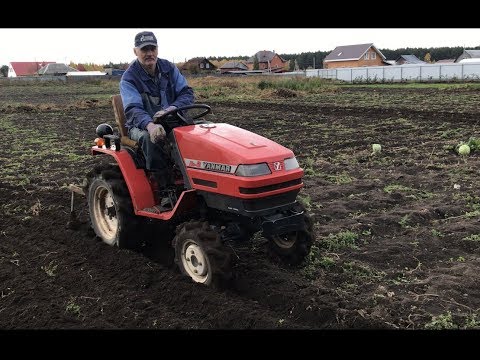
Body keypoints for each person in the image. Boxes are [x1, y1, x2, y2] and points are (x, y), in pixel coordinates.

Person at [120, 31, 194, 208]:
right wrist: (150, 125)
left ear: (157, 49)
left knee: (201, 132)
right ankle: (165, 190)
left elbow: (186, 93)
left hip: (171, 118)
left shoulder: (169, 68)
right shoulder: (129, 78)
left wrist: (172, 109)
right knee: (150, 139)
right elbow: (132, 109)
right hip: (141, 125)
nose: (149, 53)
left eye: (152, 48)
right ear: (135, 51)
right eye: (144, 49)